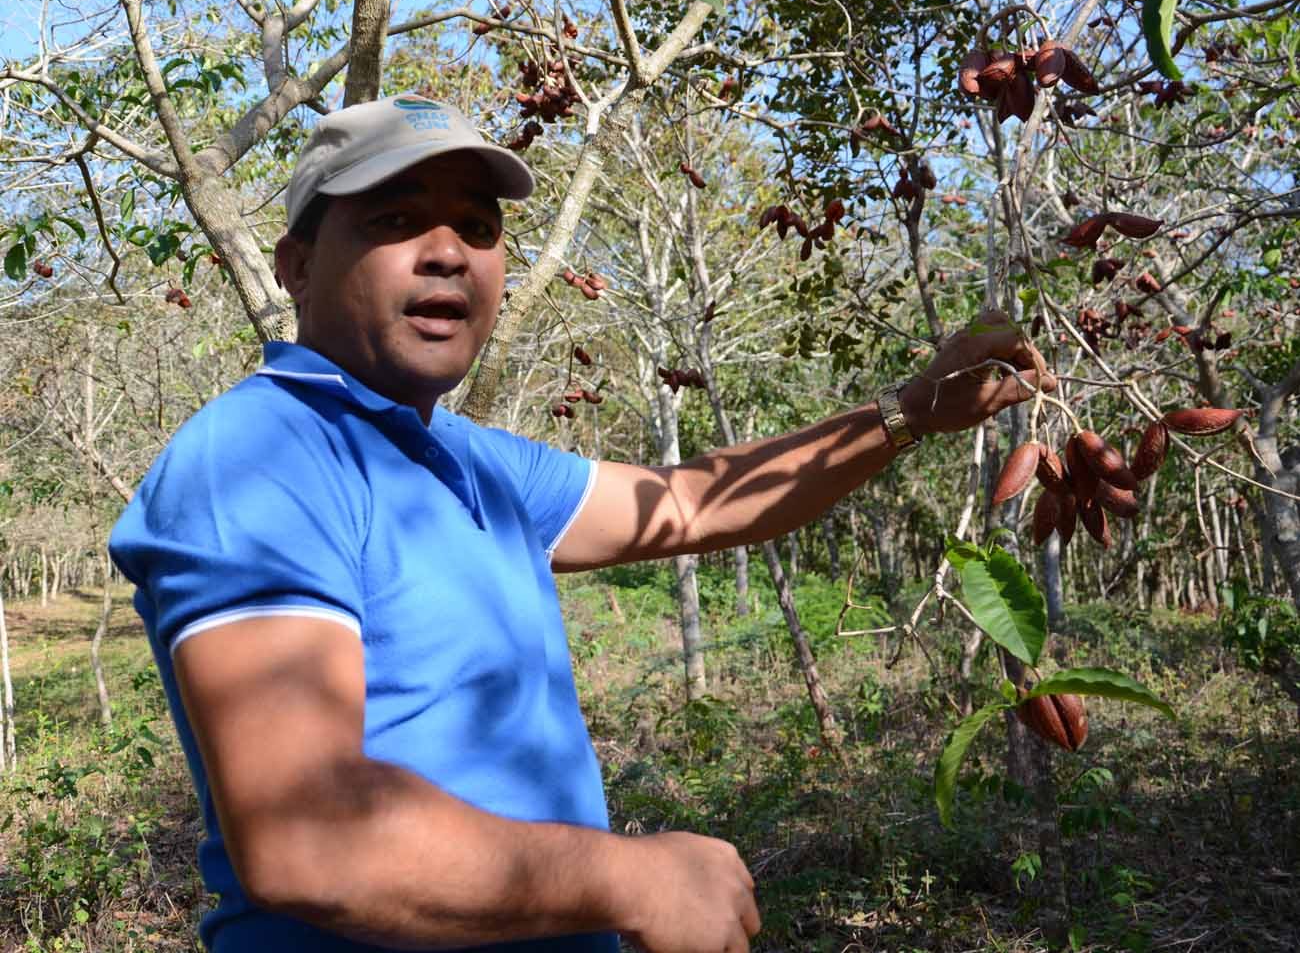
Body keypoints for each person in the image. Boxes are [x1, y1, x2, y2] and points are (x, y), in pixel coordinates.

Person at [108, 93, 1056, 953]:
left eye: (477, 227)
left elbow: (692, 501)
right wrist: (629, 877)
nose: (448, 251)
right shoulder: (261, 459)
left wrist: (908, 413)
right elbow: (306, 838)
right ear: (298, 265)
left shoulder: (474, 459)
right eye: (395, 220)